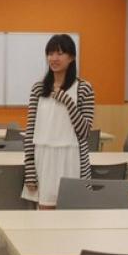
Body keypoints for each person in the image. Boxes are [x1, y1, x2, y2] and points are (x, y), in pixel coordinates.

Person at [23, 34, 95, 209]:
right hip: (44, 157)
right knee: (45, 213)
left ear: (71, 57)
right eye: (50, 53)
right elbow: (30, 130)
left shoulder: (84, 88)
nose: (53, 58)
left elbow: (85, 131)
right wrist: (30, 171)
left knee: (72, 215)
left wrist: (67, 101)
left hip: (72, 157)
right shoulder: (38, 88)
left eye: (60, 53)